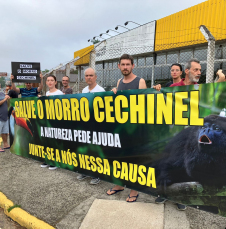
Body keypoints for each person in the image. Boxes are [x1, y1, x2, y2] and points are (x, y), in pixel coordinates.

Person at [107, 53, 161, 202]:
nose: (125, 67)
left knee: (135, 160)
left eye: (128, 64)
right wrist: (114, 92)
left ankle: (134, 190)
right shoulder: (119, 82)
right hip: (122, 128)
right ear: (119, 66)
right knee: (120, 158)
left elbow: (145, 105)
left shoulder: (140, 81)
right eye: (123, 64)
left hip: (135, 129)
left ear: (133, 66)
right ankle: (119, 185)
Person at [162, 58, 201, 210]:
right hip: (174, 132)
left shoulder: (199, 89)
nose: (199, 72)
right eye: (196, 69)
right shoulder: (174, 87)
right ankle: (164, 192)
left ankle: (181, 196)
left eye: (199, 70)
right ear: (187, 71)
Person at [77, 67, 105, 185]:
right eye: (87, 76)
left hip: (97, 126)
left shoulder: (101, 90)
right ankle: (86, 171)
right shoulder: (83, 90)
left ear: (96, 77)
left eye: (91, 75)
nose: (89, 77)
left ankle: (97, 174)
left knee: (96, 150)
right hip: (85, 126)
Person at [40, 75, 64, 170]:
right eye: (48, 80)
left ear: (55, 82)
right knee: (48, 140)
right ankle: (48, 159)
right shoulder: (47, 93)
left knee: (55, 141)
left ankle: (55, 161)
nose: (50, 82)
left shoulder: (59, 93)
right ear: (46, 82)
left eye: (52, 80)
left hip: (57, 121)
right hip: (48, 120)